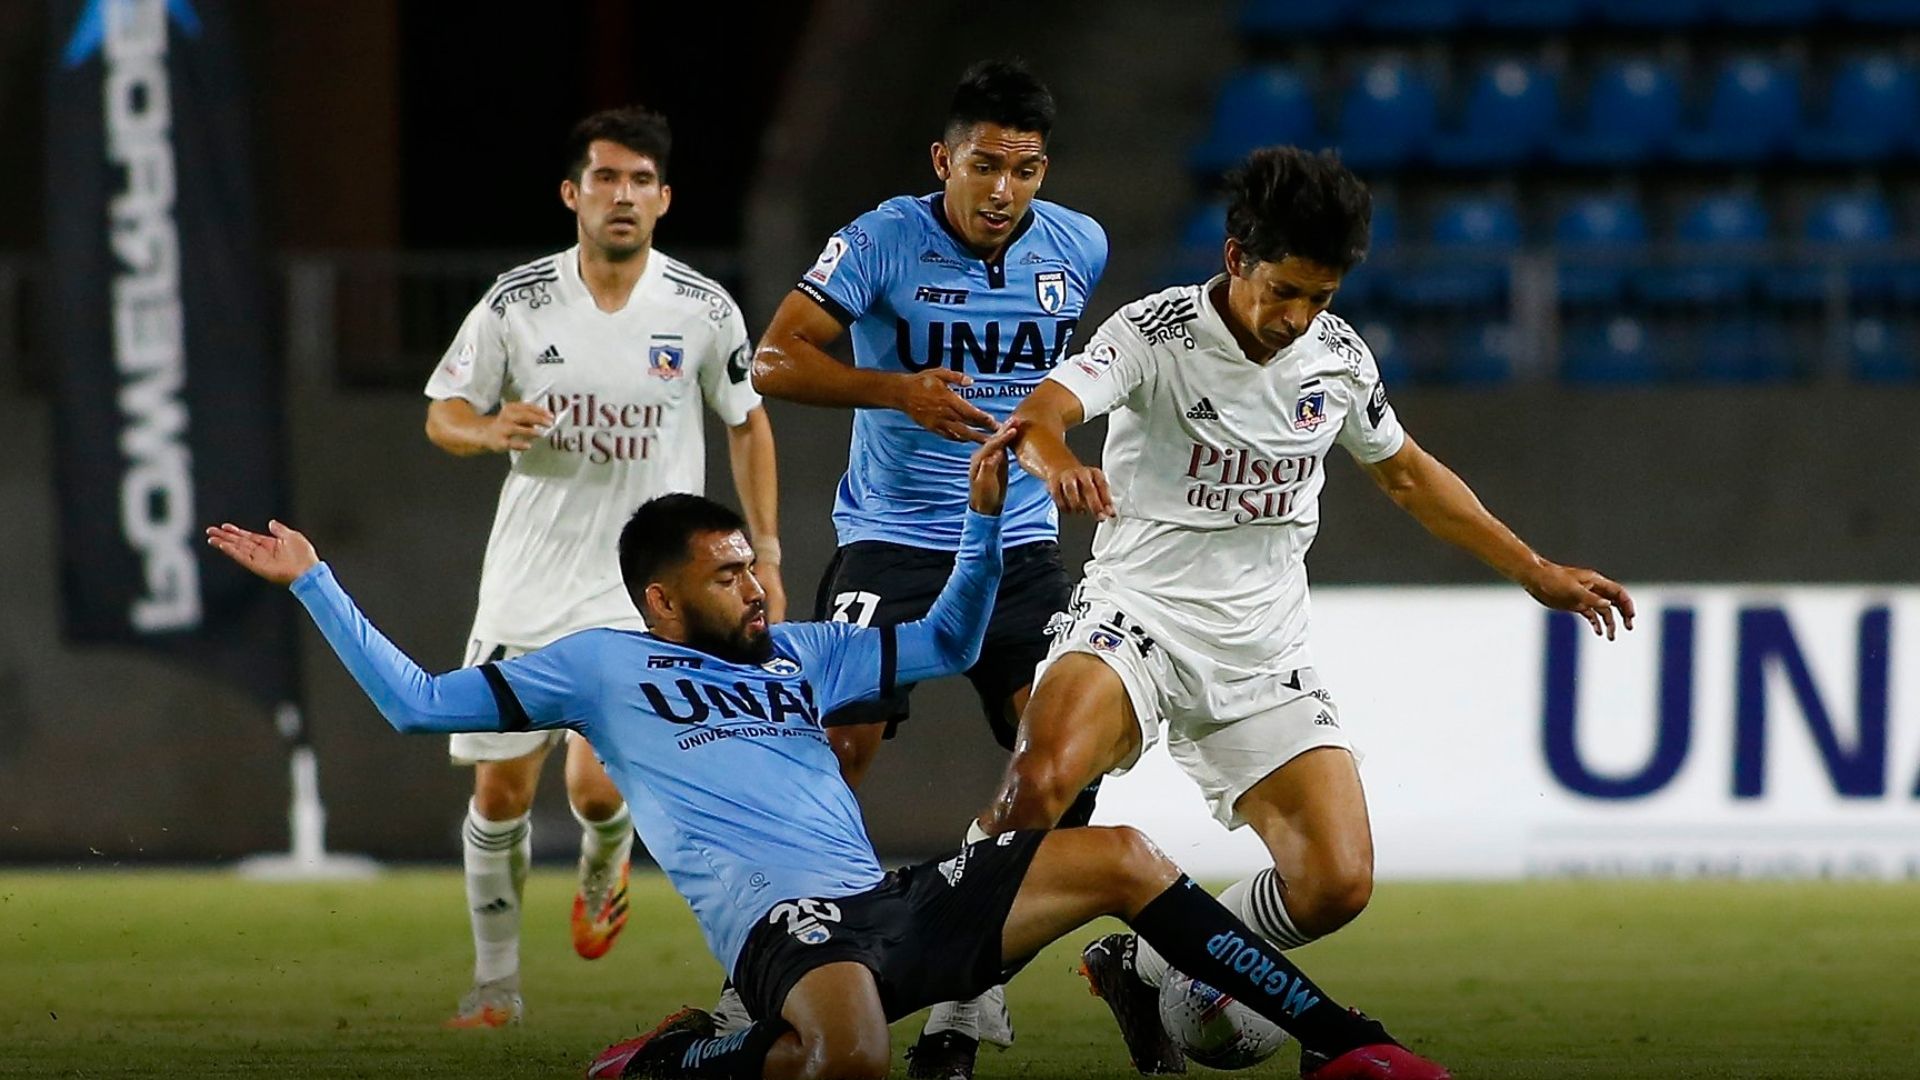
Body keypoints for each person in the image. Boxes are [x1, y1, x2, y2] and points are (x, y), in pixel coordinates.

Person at [203, 423, 1450, 1080]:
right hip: (780, 930)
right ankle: (691, 1052)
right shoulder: (600, 666)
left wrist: (975, 525)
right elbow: (424, 702)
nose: (756, 586)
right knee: (848, 1060)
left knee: (1120, 851)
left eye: (753, 564)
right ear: (660, 602)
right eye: (729, 575)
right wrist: (313, 582)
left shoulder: (801, 650)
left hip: (886, 905)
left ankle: (1353, 1045)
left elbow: (955, 638)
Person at [976, 146, 1637, 1073]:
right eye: (1285, 290)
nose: (1297, 318)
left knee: (1336, 884)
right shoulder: (1153, 332)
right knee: (1036, 790)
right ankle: (953, 1004)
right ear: (1237, 255)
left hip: (1261, 652)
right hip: (1136, 617)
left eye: (1318, 298)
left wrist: (1533, 569)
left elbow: (1405, 473)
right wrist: (1060, 465)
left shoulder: (1336, 358)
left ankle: (1145, 959)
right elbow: (1043, 413)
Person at [750, 59, 1106, 1076]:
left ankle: (969, 993)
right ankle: (781, 960)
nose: (1005, 192)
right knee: (838, 749)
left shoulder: (1078, 245)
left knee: (1061, 759)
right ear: (943, 158)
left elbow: (1050, 389)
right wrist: (896, 391)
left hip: (1020, 538)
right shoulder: (877, 241)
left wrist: (1052, 461)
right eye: (986, 166)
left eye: (1027, 171)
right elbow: (771, 360)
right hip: (895, 537)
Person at [423, 105, 782, 1028]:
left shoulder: (701, 309)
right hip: (526, 583)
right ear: (572, 193)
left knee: (594, 781)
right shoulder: (516, 301)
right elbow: (444, 411)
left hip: (639, 593)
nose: (620, 196)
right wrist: (488, 428)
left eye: (639, 182)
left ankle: (605, 849)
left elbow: (747, 420)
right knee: (501, 791)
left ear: (663, 199)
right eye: (604, 178)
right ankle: (495, 985)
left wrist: (765, 550)